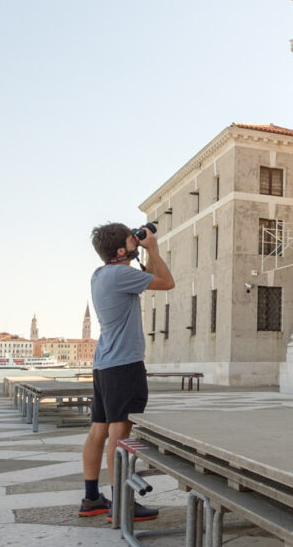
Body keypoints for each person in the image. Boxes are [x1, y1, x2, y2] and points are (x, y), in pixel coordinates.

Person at [79, 222, 174, 521]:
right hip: (124, 365)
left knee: (99, 429)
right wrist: (154, 249)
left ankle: (92, 498)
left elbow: (145, 277)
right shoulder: (121, 274)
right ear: (121, 250)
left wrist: (137, 251)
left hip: (104, 363)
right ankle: (122, 504)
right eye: (130, 239)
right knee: (120, 433)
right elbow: (166, 281)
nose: (137, 240)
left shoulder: (102, 274)